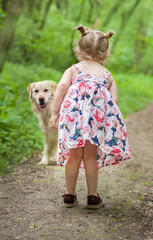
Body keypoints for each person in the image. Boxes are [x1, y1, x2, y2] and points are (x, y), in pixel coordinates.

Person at [50, 25, 131, 209]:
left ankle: (69, 196)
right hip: (95, 121)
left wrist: (55, 113)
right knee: (90, 158)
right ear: (104, 54)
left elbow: (62, 87)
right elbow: (114, 101)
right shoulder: (107, 76)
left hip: (73, 119)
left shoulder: (74, 70)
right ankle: (92, 197)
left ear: (78, 50)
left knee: (73, 157)